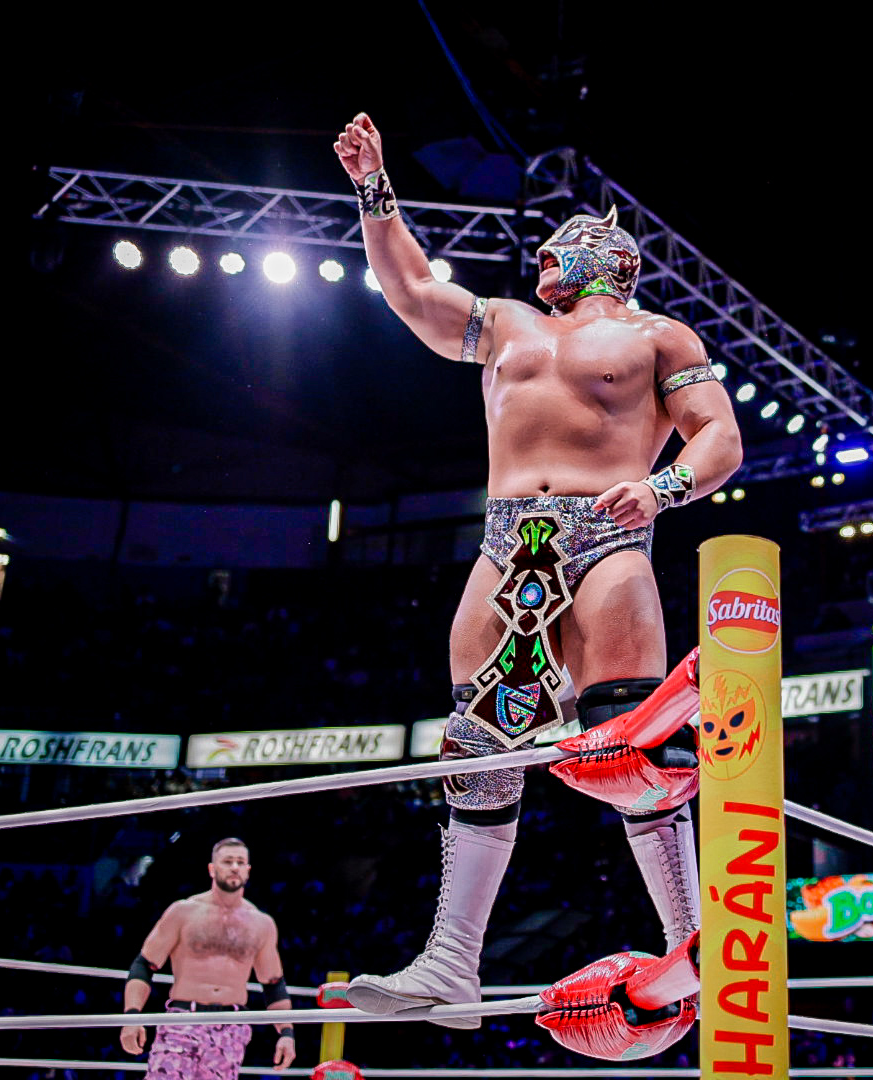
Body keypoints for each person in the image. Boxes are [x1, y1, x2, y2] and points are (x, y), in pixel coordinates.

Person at [331, 113, 741, 1027]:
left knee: (629, 746)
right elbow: (410, 289)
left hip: (605, 537)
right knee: (477, 747)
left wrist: (663, 488)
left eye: (563, 245)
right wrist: (372, 188)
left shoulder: (659, 336)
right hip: (506, 541)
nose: (545, 255)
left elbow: (720, 436)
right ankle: (452, 963)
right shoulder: (507, 324)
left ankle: (696, 942)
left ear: (610, 259)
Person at [120, 838, 296, 1078]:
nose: (234, 867)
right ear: (212, 869)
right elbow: (144, 965)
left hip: (231, 1028)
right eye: (227, 861)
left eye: (240, 862)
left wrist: (286, 1034)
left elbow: (273, 984)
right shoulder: (183, 912)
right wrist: (131, 1016)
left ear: (248, 870)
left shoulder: (261, 924)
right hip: (183, 1020)